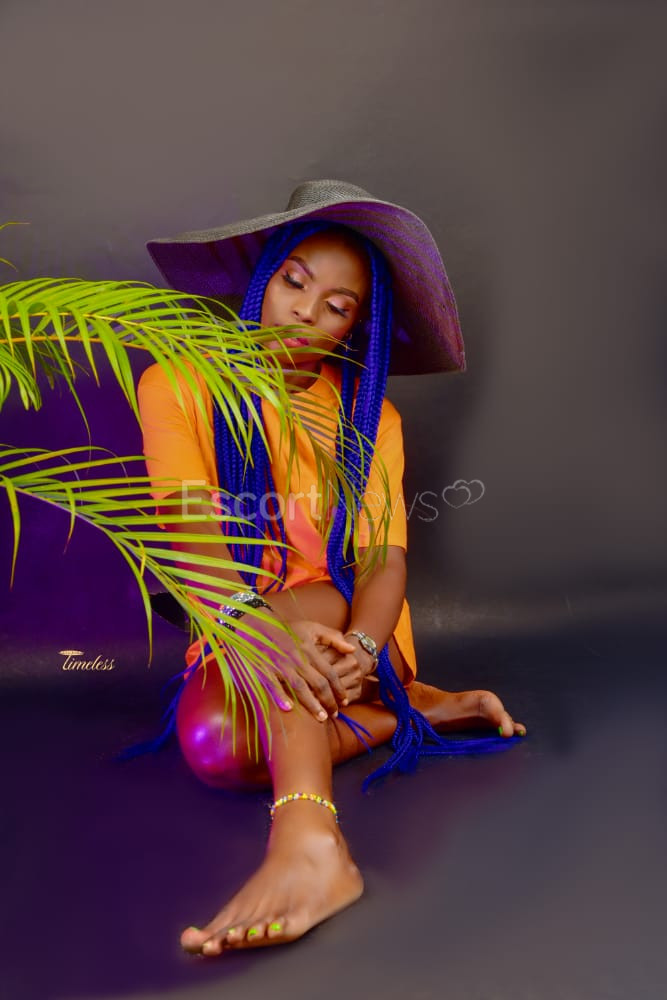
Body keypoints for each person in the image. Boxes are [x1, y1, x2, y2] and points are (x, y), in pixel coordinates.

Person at [134, 180, 527, 957]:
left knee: (300, 624)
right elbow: (188, 529)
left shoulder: (371, 418)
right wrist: (249, 624)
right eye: (295, 282)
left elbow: (381, 561)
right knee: (215, 747)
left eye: (336, 306)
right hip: (235, 619)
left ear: (356, 327)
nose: (305, 313)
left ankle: (311, 841)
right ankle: (408, 713)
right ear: (265, 277)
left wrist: (370, 651)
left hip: (354, 630)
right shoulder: (177, 384)